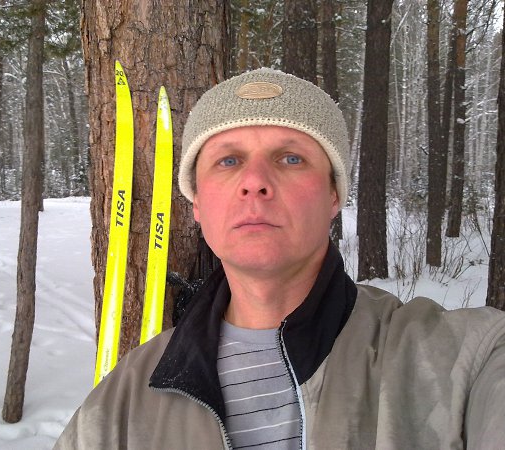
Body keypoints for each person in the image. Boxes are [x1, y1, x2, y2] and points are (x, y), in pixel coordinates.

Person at [54, 68, 505, 449]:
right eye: (228, 161)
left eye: (290, 158)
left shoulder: (461, 358)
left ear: (333, 195)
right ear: (197, 204)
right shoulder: (125, 398)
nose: (255, 181)